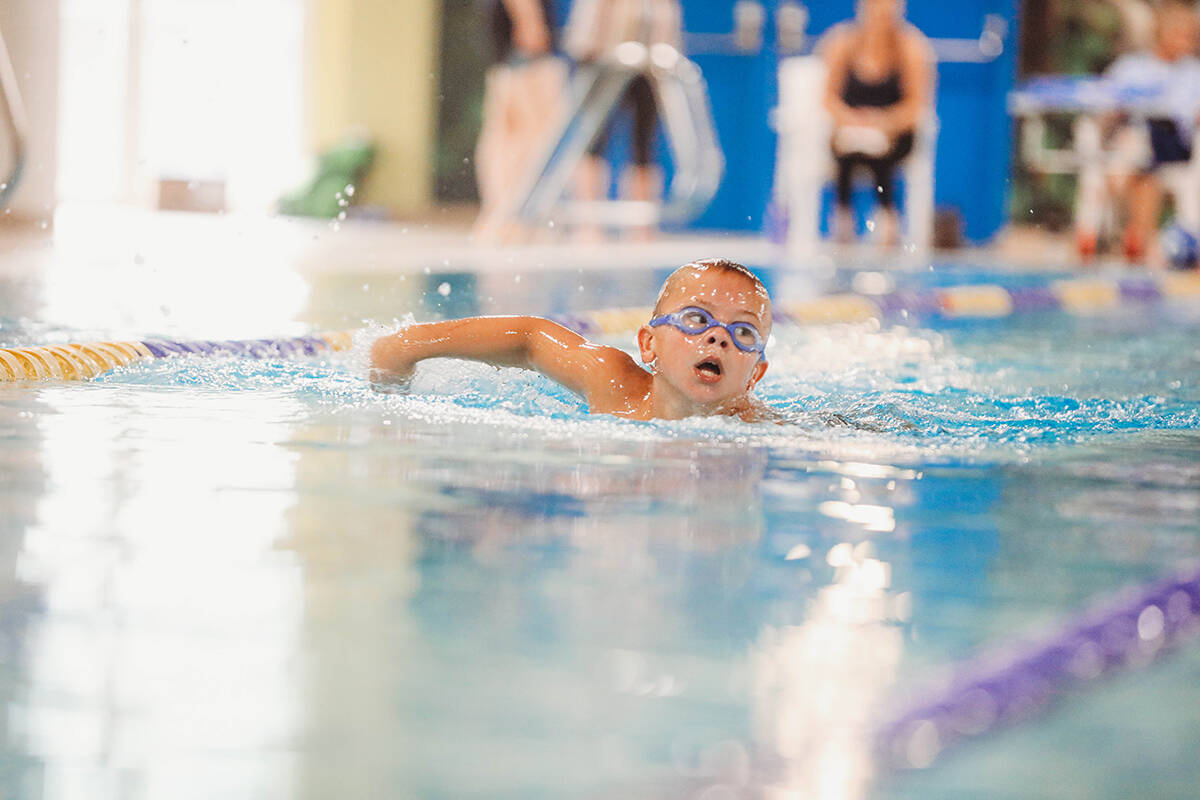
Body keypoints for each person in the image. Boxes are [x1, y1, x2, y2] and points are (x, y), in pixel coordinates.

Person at [369, 258, 774, 422]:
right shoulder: (614, 382)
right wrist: (407, 345)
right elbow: (529, 337)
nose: (718, 338)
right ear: (649, 345)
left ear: (755, 375)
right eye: (695, 319)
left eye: (743, 332)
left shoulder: (757, 428)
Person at [563, 0, 684, 241]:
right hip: (600, 51)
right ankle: (588, 224)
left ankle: (642, 227)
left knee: (644, 143)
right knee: (592, 142)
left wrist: (665, 49)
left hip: (650, 56)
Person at [821, 0, 932, 247]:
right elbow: (828, 98)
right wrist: (851, 120)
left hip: (895, 134)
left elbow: (916, 106)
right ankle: (843, 219)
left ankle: (886, 220)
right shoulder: (842, 42)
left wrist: (883, 122)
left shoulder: (911, 47)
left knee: (881, 153)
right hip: (850, 133)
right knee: (848, 149)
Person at [1102, 0, 1200, 266]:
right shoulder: (1131, 68)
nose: (1188, 42)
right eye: (1182, 35)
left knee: (1143, 155)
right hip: (1134, 146)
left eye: (1192, 36)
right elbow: (1104, 106)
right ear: (1161, 33)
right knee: (1138, 150)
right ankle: (1142, 242)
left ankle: (1141, 241)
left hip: (1178, 149)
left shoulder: (1194, 74)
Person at [472, 0, 567, 243]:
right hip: (525, 46)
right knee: (531, 136)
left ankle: (500, 215)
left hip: (507, 43)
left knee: (504, 132)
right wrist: (530, 22)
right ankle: (513, 218)